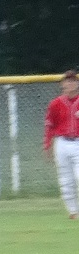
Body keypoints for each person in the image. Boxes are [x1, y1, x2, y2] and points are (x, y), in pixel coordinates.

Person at [42, 69, 79, 219]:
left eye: (73, 81)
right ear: (62, 84)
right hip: (62, 143)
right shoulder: (55, 104)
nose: (70, 84)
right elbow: (49, 126)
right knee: (65, 180)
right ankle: (73, 212)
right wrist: (47, 145)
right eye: (67, 81)